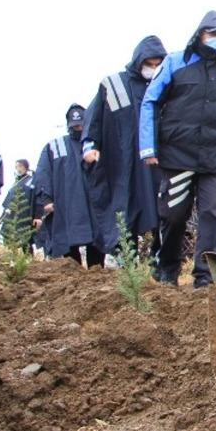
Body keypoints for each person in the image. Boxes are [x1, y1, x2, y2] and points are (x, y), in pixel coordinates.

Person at [139, 11, 216, 288]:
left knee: (213, 216)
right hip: (178, 154)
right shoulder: (174, 63)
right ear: (200, 34)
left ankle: (206, 276)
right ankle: (167, 268)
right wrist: (148, 147)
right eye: (214, 34)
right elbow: (150, 102)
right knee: (174, 214)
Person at [82, 35, 167, 264]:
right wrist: (90, 146)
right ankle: (123, 261)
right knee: (122, 210)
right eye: (148, 64)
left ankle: (160, 261)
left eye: (158, 64)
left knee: (162, 210)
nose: (152, 69)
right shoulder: (113, 85)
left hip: (156, 163)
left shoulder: (167, 86)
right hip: (121, 164)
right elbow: (94, 120)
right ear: (138, 61)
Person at [35, 106, 102, 265]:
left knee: (97, 246)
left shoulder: (97, 144)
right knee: (68, 252)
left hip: (94, 205)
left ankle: (97, 277)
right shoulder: (54, 146)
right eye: (75, 126)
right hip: (65, 205)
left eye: (81, 124)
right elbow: (43, 173)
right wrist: (46, 199)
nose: (78, 128)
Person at [0, 159, 40, 252]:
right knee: (9, 239)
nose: (18, 169)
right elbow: (8, 202)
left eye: (21, 166)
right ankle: (12, 259)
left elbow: (36, 198)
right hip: (11, 216)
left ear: (26, 167)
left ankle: (29, 259)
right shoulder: (15, 183)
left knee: (25, 239)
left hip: (24, 214)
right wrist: (2, 216)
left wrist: (37, 215)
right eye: (17, 167)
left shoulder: (31, 181)